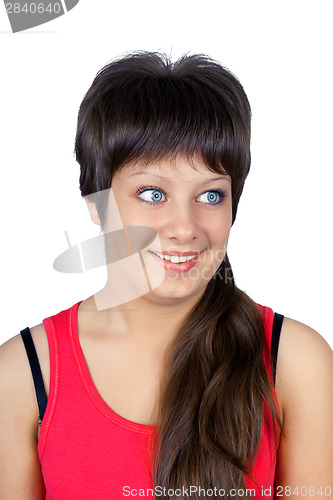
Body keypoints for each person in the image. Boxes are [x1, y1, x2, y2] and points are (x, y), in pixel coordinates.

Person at [0, 51, 332, 500]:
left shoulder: (294, 362)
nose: (184, 228)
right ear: (97, 204)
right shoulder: (22, 374)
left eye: (211, 196)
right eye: (153, 193)